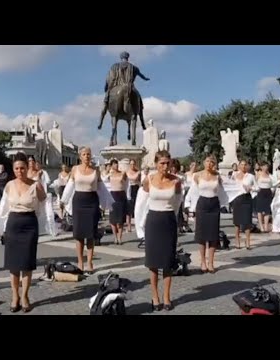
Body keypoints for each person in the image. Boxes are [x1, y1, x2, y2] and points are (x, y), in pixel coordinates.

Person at [0, 153, 47, 312]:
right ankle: (15, 295)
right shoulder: (9, 185)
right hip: (13, 225)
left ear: (27, 168)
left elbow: (45, 204)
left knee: (27, 263)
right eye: (16, 168)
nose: (20, 171)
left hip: (29, 224)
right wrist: (0, 228)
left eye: (22, 168)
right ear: (13, 169)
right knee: (14, 264)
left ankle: (25, 295)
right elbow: (3, 208)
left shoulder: (35, 184)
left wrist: (39, 186)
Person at [142, 150, 181, 311]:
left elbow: (178, 203)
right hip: (153, 221)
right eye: (162, 163)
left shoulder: (177, 181)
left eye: (167, 163)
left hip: (168, 221)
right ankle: (155, 296)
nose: (165, 166)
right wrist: (140, 224)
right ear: (156, 164)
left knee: (167, 261)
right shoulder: (148, 180)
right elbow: (141, 202)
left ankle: (166, 296)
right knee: (153, 262)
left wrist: (173, 218)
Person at [192, 155, 228, 273]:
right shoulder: (197, 175)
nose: (209, 164)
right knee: (202, 235)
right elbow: (194, 192)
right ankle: (202, 261)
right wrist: (191, 208)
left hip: (214, 204)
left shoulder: (217, 176)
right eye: (207, 161)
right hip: (202, 204)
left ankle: (211, 262)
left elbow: (224, 189)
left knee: (213, 235)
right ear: (203, 162)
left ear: (214, 164)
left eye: (212, 162)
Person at [99, 51, 149, 125]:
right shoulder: (133, 67)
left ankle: (101, 121)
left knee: (105, 103)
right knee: (139, 100)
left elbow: (108, 78)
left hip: (116, 86)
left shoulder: (114, 66)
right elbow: (142, 76)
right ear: (127, 58)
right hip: (130, 87)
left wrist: (106, 88)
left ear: (121, 57)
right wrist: (146, 78)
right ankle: (142, 123)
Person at [231, 160, 255, 249]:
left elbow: (257, 188)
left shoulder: (251, 176)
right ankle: (237, 241)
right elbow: (230, 185)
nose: (244, 166)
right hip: (237, 198)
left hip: (246, 198)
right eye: (242, 164)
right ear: (239, 166)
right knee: (237, 222)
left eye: (245, 165)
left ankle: (248, 241)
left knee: (247, 221)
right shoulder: (234, 175)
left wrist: (250, 188)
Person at [108, 159, 128, 245]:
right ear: (111, 165)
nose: (116, 166)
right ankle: (115, 237)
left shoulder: (122, 173)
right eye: (114, 164)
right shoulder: (109, 174)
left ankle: (120, 238)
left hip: (121, 195)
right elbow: (103, 179)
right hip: (112, 195)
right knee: (113, 218)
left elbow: (126, 182)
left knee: (120, 219)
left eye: (117, 164)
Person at [255, 162, 274, 233]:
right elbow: (255, 183)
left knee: (267, 209)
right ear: (262, 167)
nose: (266, 167)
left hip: (268, 191)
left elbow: (272, 183)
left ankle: (266, 226)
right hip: (261, 191)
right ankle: (261, 226)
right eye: (265, 166)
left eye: (267, 166)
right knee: (259, 209)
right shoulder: (258, 174)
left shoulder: (269, 174)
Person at [126, 159, 141, 232]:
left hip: (136, 188)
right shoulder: (127, 172)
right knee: (129, 207)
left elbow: (139, 181)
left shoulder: (138, 172)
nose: (132, 165)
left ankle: (137, 223)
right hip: (129, 188)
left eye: (133, 164)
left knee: (136, 206)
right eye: (131, 164)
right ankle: (128, 225)